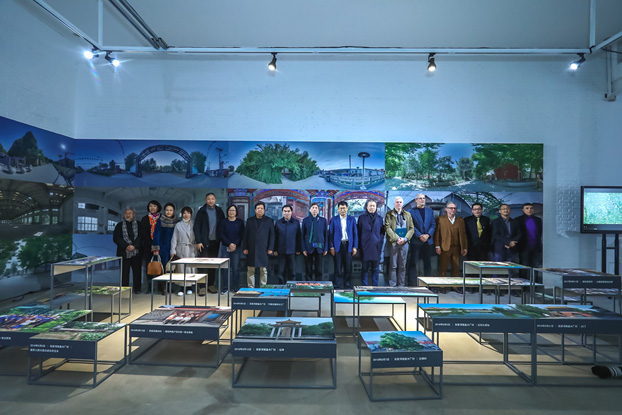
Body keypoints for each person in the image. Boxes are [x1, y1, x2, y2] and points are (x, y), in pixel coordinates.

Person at [193, 193, 225, 295]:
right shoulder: (201, 211)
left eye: (212, 199)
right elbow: (196, 227)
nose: (210, 201)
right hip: (204, 242)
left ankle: (211, 284)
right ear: (206, 200)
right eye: (208, 199)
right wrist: (198, 241)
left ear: (215, 200)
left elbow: (223, 225)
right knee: (203, 265)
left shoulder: (219, 211)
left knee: (213, 265)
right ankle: (202, 287)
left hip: (215, 242)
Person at [242, 202, 274, 288]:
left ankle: (263, 287)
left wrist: (270, 248)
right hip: (251, 248)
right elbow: (246, 235)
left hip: (264, 248)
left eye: (262, 208)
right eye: (258, 208)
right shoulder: (250, 220)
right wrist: (245, 247)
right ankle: (250, 287)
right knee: (250, 269)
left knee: (263, 270)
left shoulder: (269, 220)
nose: (260, 210)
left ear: (264, 210)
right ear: (255, 210)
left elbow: (272, 235)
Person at [384, 196, 414, 287]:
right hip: (394, 242)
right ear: (394, 203)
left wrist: (405, 239)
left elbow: (411, 229)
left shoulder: (408, 214)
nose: (399, 203)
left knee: (402, 266)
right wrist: (397, 238)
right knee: (393, 265)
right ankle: (392, 285)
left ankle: (401, 285)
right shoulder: (389, 214)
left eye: (400, 202)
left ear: (402, 204)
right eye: (397, 202)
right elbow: (387, 228)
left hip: (405, 243)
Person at [329, 201, 358, 289]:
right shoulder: (334, 219)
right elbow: (330, 234)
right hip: (337, 246)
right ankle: (337, 285)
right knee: (338, 267)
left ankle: (347, 285)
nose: (342, 210)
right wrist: (331, 246)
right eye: (341, 208)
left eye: (344, 208)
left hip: (348, 245)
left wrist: (355, 247)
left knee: (348, 267)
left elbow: (355, 234)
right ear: (338, 209)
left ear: (347, 208)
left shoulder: (352, 219)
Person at [408, 193, 436, 285]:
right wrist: (420, 235)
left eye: (423, 198)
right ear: (416, 200)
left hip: (428, 241)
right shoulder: (410, 212)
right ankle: (411, 284)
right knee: (413, 263)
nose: (422, 200)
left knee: (428, 263)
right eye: (420, 198)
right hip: (416, 241)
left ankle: (428, 284)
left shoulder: (430, 211)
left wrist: (428, 235)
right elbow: (411, 225)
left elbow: (433, 225)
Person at [433, 201, 468, 277]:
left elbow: (463, 235)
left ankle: (455, 283)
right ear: (446, 209)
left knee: (456, 268)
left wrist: (464, 247)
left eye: (454, 208)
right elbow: (437, 234)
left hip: (456, 247)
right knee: (443, 267)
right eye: (451, 208)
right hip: (444, 247)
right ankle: (442, 283)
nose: (453, 210)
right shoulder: (440, 219)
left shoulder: (460, 220)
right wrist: (437, 246)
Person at [113, 207, 142, 294]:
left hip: (136, 253)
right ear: (124, 215)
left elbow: (141, 237)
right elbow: (116, 238)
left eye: (130, 213)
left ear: (134, 215)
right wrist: (126, 246)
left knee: (137, 272)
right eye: (126, 213)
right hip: (123, 253)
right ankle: (124, 290)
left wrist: (134, 246)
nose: (128, 215)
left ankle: (137, 289)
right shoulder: (119, 225)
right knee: (124, 273)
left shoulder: (139, 225)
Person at [217, 205, 245, 293]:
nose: (231, 212)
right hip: (225, 247)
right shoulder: (223, 222)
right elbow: (221, 234)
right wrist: (229, 244)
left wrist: (235, 244)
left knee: (235, 268)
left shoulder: (240, 222)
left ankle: (235, 287)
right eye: (230, 210)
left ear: (236, 212)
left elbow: (241, 235)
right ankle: (225, 288)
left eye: (233, 210)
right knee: (226, 268)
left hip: (236, 248)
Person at [152, 203, 178, 295]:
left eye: (171, 210)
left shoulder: (177, 221)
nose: (168, 212)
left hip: (174, 247)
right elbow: (156, 234)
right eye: (167, 210)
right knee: (163, 267)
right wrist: (156, 248)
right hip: (163, 247)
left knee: (172, 268)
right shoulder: (160, 221)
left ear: (174, 211)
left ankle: (171, 287)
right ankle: (163, 287)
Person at [171, 206, 197, 296]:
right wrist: (173, 251)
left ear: (191, 214)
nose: (186, 215)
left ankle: (190, 287)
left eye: (188, 213)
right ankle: (182, 288)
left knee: (190, 269)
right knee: (181, 269)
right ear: (182, 214)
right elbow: (174, 239)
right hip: (181, 248)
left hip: (191, 248)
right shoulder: (178, 225)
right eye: (184, 213)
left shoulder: (194, 224)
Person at [357, 199, 384, 286]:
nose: (372, 207)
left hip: (376, 246)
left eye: (373, 206)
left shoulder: (380, 218)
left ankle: (375, 286)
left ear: (376, 207)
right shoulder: (361, 218)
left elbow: (382, 232)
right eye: (370, 206)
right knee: (364, 267)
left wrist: (379, 240)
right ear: (366, 207)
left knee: (375, 268)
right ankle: (364, 286)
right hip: (364, 246)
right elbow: (358, 231)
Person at [273, 204, 301, 283]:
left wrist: (298, 249)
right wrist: (275, 249)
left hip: (292, 251)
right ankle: (281, 287)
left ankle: (292, 287)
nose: (286, 213)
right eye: (285, 211)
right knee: (280, 271)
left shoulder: (296, 223)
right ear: (282, 212)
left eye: (288, 211)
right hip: (281, 251)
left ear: (291, 212)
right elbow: (275, 237)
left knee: (292, 271)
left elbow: (298, 237)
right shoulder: (278, 223)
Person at [301, 202, 329, 281]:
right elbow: (302, 236)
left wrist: (325, 248)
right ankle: (308, 285)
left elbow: (326, 235)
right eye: (312, 208)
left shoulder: (323, 220)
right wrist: (303, 249)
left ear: (318, 210)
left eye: (316, 208)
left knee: (319, 268)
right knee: (308, 268)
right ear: (309, 210)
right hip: (308, 247)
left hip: (319, 247)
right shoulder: (306, 220)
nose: (314, 209)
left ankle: (318, 285)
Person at [139, 200, 161, 294]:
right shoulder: (145, 219)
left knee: (160, 266)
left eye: (154, 206)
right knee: (149, 267)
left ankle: (160, 287)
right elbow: (143, 233)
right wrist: (151, 245)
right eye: (151, 206)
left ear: (158, 207)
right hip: (148, 247)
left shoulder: (162, 218)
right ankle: (149, 287)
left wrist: (157, 245)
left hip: (160, 246)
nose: (152, 208)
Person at [516, 203, 543, 268]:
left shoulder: (538, 220)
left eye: (531, 208)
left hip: (536, 246)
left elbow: (539, 233)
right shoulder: (518, 220)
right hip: (524, 247)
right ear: (523, 210)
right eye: (527, 208)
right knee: (524, 266)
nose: (529, 210)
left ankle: (534, 276)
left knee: (535, 266)